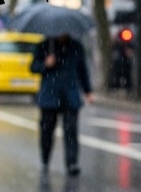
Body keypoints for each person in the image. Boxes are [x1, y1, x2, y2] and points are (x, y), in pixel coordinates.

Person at [30, 33, 94, 176]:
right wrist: (45, 64)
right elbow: (33, 67)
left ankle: (72, 163)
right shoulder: (44, 45)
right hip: (49, 96)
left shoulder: (76, 46)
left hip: (70, 96)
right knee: (47, 131)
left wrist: (88, 91)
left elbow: (82, 69)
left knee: (71, 131)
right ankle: (45, 159)